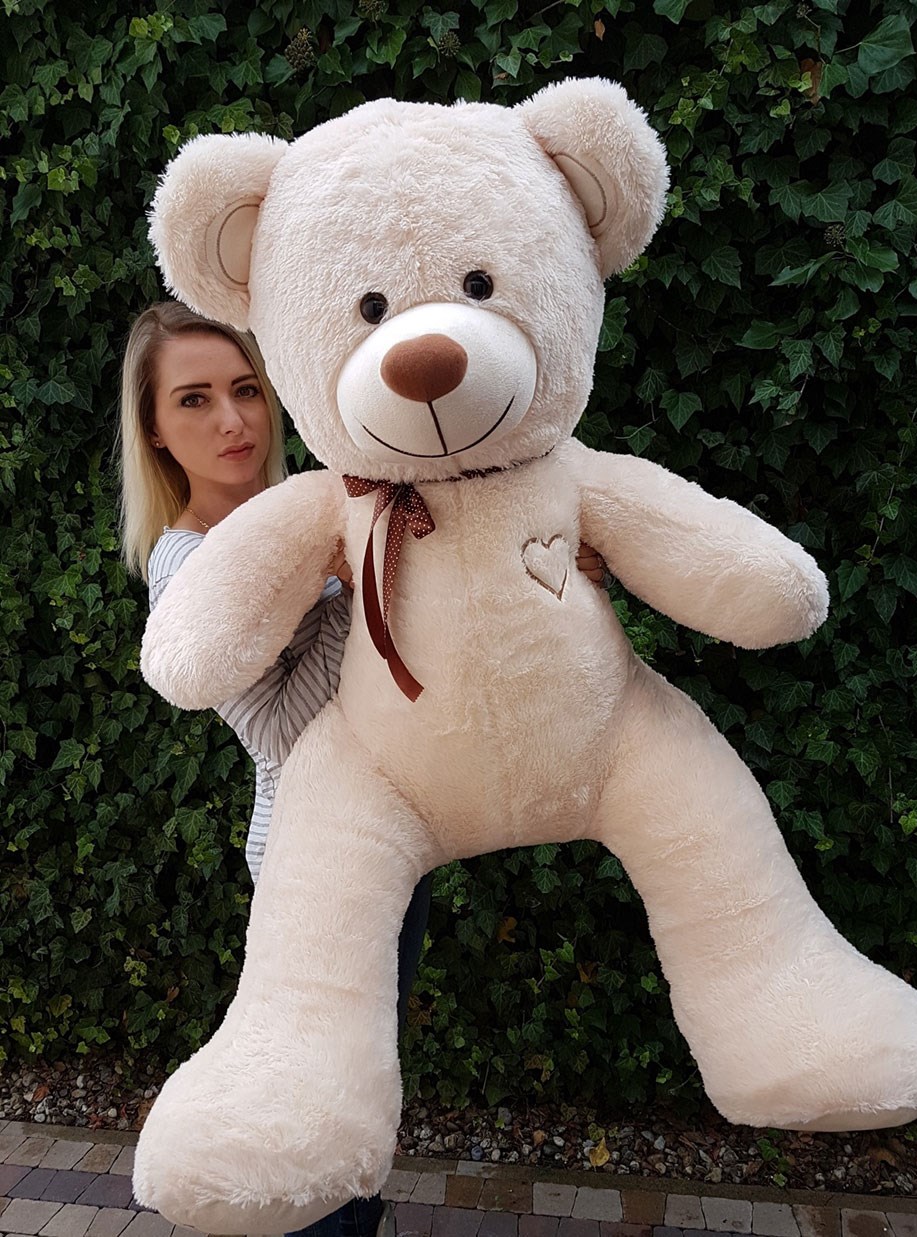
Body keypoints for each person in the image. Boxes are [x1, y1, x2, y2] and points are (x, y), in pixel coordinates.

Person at [118, 299, 607, 1237]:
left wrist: (542, 572)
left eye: (245, 389)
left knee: (358, 1075)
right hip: (314, 861)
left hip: (387, 835)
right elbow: (282, 725)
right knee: (327, 1098)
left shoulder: (316, 508)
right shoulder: (190, 565)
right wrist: (358, 584)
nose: (232, 419)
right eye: (194, 399)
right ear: (156, 432)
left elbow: (431, 622)